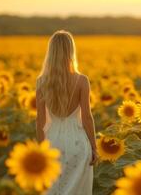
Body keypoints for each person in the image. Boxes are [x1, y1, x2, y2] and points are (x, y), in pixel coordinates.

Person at [35, 30, 98, 195]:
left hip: (52, 143)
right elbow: (87, 118)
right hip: (78, 143)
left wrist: (40, 153)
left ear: (51, 52)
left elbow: (40, 121)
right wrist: (94, 147)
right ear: (71, 51)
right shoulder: (82, 80)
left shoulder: (41, 82)